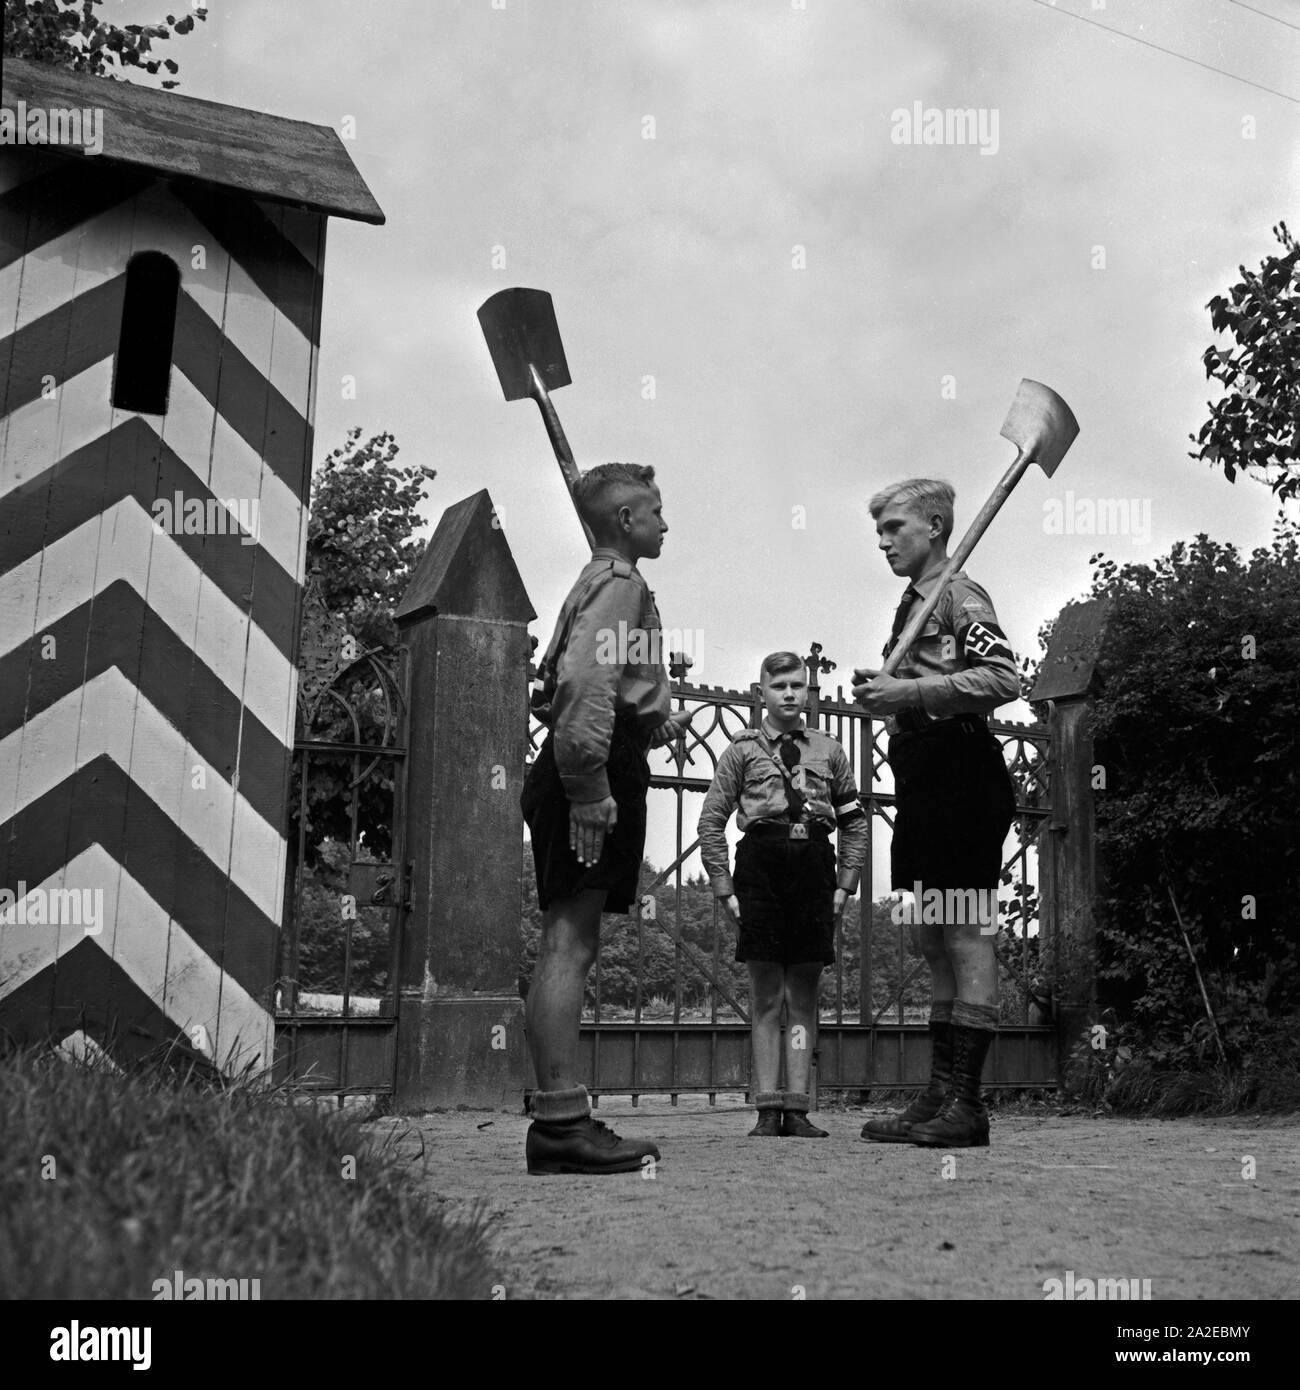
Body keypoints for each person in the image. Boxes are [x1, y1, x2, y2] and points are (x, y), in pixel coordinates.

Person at [521, 462, 695, 1175]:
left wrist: (654, 715)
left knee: (572, 940)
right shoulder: (621, 584)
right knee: (569, 943)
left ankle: (562, 1120)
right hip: (586, 772)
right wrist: (591, 783)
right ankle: (560, 1126)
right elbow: (584, 683)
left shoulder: (600, 582)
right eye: (655, 511)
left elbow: (578, 679)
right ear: (627, 520)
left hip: (587, 759)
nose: (665, 523)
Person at [852, 478, 1019, 1148]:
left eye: (896, 528)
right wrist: (893, 696)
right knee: (929, 937)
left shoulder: (958, 595)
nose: (885, 541)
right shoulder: (912, 604)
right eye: (880, 533)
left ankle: (969, 1108)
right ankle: (939, 1096)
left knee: (966, 933)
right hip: (920, 775)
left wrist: (912, 690)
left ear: (938, 525)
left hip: (960, 771)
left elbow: (1005, 677)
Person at [697, 653, 868, 1137]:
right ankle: (767, 1109)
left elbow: (854, 822)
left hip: (814, 865)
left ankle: (798, 1108)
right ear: (761, 693)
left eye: (798, 685)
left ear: (808, 692)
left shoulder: (830, 750)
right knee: (767, 995)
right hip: (761, 866)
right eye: (780, 686)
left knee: (803, 995)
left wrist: (845, 885)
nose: (790, 694)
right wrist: (724, 887)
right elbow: (712, 820)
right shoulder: (742, 751)